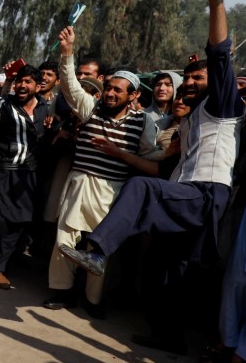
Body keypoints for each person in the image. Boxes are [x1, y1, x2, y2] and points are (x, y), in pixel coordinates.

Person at [61, 0, 246, 350]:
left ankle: (96, 250)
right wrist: (138, 153)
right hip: (183, 196)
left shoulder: (225, 105)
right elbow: (163, 166)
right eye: (187, 78)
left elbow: (221, 54)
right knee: (168, 267)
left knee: (142, 187)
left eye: (200, 77)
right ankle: (168, 336)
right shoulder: (190, 120)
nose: (191, 82)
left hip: (207, 194)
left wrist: (215, 1)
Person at [43, 26, 161, 319]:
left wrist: (168, 153)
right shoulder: (90, 108)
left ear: (132, 95)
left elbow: (149, 156)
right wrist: (68, 52)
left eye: (116, 90)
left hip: (113, 191)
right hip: (80, 184)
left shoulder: (142, 123)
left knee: (100, 248)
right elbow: (70, 86)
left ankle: (92, 300)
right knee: (64, 241)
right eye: (108, 88)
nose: (109, 93)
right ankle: (62, 290)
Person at [0, 65, 49, 289]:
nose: (22, 86)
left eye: (28, 82)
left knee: (18, 223)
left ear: (37, 86)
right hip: (0, 169)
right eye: (20, 81)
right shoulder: (4, 102)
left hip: (28, 176)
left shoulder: (45, 110)